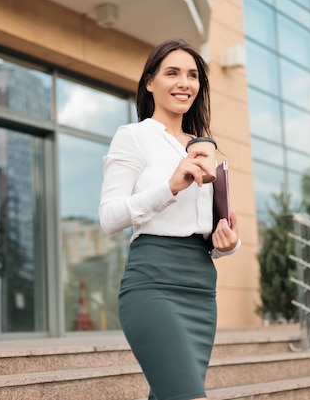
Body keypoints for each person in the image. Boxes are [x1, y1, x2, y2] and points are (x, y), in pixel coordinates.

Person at [98, 39, 241, 400]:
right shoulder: (133, 137)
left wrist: (228, 243)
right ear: (150, 82)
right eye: (172, 73)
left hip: (200, 289)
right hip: (153, 285)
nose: (184, 83)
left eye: (193, 75)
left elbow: (205, 231)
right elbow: (109, 218)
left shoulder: (202, 147)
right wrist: (170, 186)